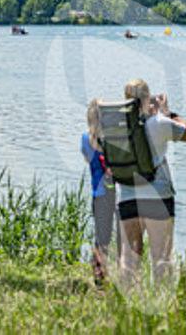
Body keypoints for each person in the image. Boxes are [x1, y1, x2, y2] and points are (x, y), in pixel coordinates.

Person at [117, 78, 186, 285]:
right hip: (158, 199)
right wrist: (167, 112)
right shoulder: (159, 123)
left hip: (127, 198)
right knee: (162, 259)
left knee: (129, 260)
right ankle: (162, 300)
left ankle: (125, 301)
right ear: (147, 98)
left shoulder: (117, 127)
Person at [82, 99, 118, 284]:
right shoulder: (109, 140)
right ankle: (100, 278)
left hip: (96, 194)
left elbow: (88, 158)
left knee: (100, 238)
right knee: (105, 239)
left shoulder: (85, 138)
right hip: (109, 194)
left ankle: (99, 276)